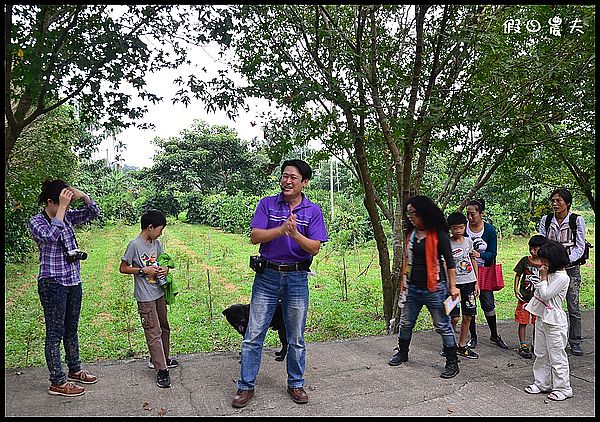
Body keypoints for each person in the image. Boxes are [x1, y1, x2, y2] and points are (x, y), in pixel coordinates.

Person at [232, 159, 328, 408]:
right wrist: (282, 229)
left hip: (297, 277)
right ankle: (246, 387)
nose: (287, 180)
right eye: (284, 176)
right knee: (254, 334)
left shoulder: (313, 211)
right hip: (267, 276)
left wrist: (295, 234)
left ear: (304, 182)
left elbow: (315, 248)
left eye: (293, 177)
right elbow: (255, 236)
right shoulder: (267, 204)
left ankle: (296, 384)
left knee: (295, 335)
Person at [29, 179, 100, 397]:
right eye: (61, 203)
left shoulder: (67, 216)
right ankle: (57, 382)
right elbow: (51, 238)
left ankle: (75, 369)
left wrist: (84, 196)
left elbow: (92, 213)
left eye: (67, 204)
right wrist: (61, 208)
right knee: (54, 333)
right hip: (52, 283)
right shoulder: (36, 221)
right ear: (50, 201)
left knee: (71, 329)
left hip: (72, 280)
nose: (66, 208)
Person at [388, 196, 460, 379]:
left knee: (442, 325)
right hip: (412, 288)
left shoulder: (439, 235)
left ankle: (452, 362)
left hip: (435, 288)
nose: (410, 217)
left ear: (424, 213)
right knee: (406, 323)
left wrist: (453, 287)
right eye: (408, 214)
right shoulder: (412, 235)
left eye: (414, 213)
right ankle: (402, 353)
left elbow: (450, 263)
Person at [119, 209, 178, 389]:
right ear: (150, 227)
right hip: (145, 296)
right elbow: (123, 268)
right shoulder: (134, 245)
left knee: (164, 327)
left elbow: (163, 262)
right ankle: (161, 370)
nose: (161, 233)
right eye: (160, 229)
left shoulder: (157, 244)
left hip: (159, 292)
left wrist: (165, 269)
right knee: (153, 331)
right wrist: (143, 270)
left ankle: (162, 358)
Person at [539, 188, 586, 356]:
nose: (555, 203)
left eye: (559, 201)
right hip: (551, 269)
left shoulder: (576, 220)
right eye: (553, 200)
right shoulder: (546, 220)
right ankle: (551, 338)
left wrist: (565, 261)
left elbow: (580, 246)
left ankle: (575, 341)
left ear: (567, 203)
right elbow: (542, 243)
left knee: (573, 306)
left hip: (571, 269)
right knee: (549, 303)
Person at [524, 240, 573, 401]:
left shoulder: (562, 278)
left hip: (555, 322)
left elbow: (545, 294)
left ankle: (563, 388)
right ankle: (542, 383)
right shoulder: (548, 273)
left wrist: (543, 277)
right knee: (540, 352)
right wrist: (543, 276)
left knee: (557, 356)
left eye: (545, 261)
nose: (542, 264)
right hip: (542, 317)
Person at [465, 199, 508, 350]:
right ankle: (473, 337)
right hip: (466, 272)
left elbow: (492, 253)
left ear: (481, 213)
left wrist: (480, 255)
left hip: (484, 272)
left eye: (473, 214)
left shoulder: (489, 231)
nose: (470, 218)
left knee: (488, 303)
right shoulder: (464, 229)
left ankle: (494, 334)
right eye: (468, 214)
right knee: (469, 304)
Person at [447, 211, 479, 359]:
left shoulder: (468, 242)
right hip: (454, 286)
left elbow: (473, 260)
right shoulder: (447, 244)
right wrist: (448, 285)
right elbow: (443, 265)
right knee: (453, 317)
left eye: (461, 228)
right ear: (450, 229)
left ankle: (461, 345)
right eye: (455, 228)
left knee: (468, 315)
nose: (458, 231)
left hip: (469, 284)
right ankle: (448, 344)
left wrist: (477, 282)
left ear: (465, 227)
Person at [513, 235, 548, 359]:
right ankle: (523, 345)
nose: (532, 252)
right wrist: (516, 290)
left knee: (536, 322)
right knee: (523, 321)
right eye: (531, 248)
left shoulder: (546, 264)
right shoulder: (525, 260)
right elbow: (518, 275)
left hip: (538, 299)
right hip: (524, 298)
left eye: (536, 249)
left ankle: (536, 343)